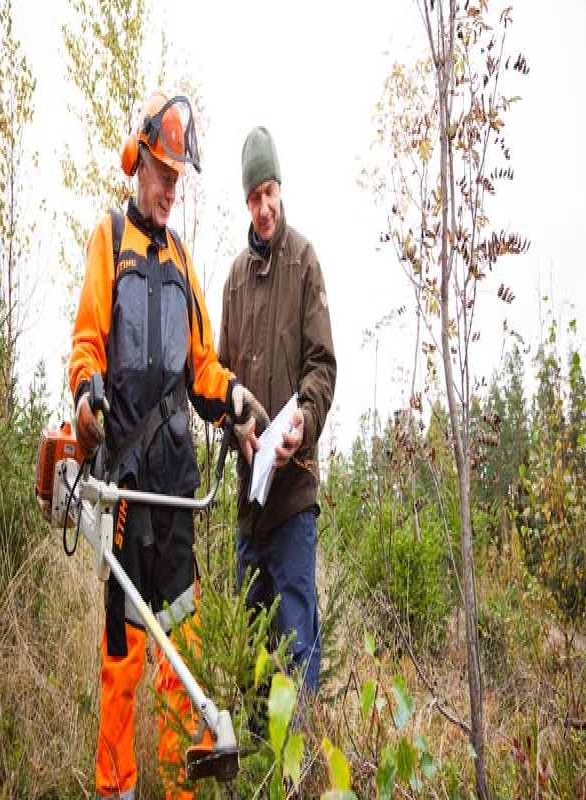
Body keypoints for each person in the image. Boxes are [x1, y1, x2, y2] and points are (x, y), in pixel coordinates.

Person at [65, 90, 267, 800]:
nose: (172, 189)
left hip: (176, 486)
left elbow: (202, 366)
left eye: (180, 179)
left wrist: (233, 394)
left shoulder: (181, 257)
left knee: (182, 648)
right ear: (140, 160)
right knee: (122, 657)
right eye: (164, 174)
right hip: (123, 485)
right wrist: (88, 394)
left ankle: (182, 791)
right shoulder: (108, 241)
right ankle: (115, 788)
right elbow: (87, 344)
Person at [217, 126, 337, 699]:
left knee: (294, 650)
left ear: (281, 189)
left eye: (270, 192)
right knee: (252, 657)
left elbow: (323, 368)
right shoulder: (234, 282)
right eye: (253, 197)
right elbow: (218, 381)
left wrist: (300, 427)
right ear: (245, 202)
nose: (264, 208)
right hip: (249, 506)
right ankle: (258, 775)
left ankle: (300, 779)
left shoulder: (305, 262)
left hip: (293, 500)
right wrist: (232, 425)